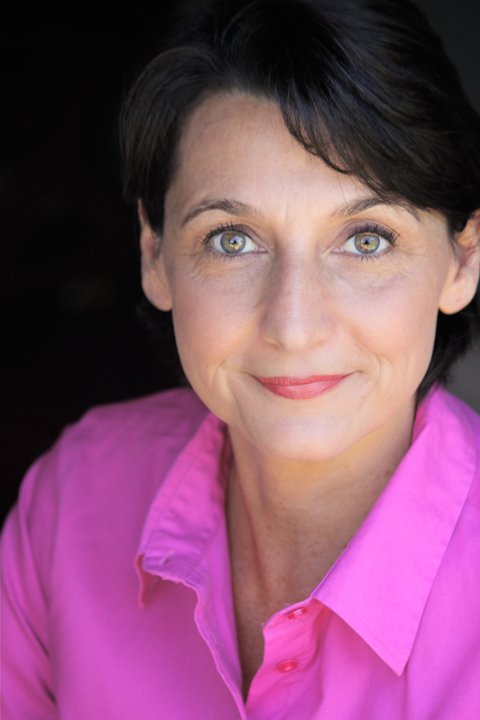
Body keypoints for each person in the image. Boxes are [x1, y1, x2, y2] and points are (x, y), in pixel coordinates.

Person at [2, 0, 480, 717]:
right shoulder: (75, 500)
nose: (294, 326)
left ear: (462, 260)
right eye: (233, 240)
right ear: (155, 254)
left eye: (367, 239)